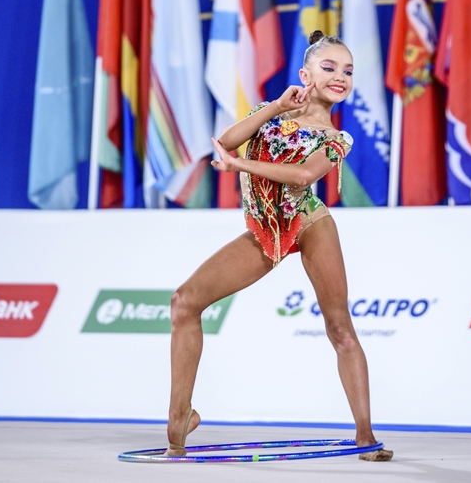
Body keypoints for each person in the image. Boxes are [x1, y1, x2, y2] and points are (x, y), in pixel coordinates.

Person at [165, 30, 393, 462]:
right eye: (329, 68)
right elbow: (227, 141)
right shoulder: (272, 113)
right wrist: (274, 108)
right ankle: (179, 417)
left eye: (347, 71)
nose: (340, 77)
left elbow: (304, 177)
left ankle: (365, 435)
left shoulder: (337, 138)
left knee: (340, 327)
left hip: (308, 222)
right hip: (265, 230)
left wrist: (238, 166)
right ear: (305, 74)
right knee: (183, 302)